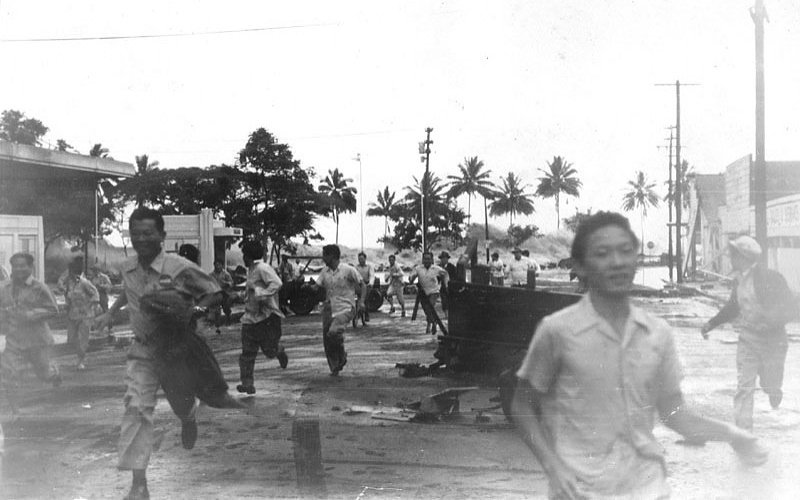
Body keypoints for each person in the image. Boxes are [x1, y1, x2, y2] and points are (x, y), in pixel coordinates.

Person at [511, 211, 768, 499]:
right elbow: (522, 404)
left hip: (649, 488)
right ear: (580, 267)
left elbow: (676, 415)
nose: (617, 262)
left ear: (636, 259)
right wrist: (553, 467)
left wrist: (734, 435)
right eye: (603, 253)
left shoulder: (657, 334)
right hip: (581, 491)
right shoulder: (556, 331)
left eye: (625, 251)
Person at [94, 208, 221, 500]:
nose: (141, 239)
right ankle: (139, 483)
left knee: (180, 403)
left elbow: (212, 291)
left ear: (162, 236)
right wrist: (111, 314)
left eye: (148, 233)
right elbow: (130, 290)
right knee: (136, 407)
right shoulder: (128, 267)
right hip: (143, 351)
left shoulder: (178, 267)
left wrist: (194, 310)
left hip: (175, 349)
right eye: (136, 233)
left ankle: (189, 418)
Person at [700, 235, 798, 430]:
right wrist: (711, 323)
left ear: (744, 257)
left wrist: (773, 320)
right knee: (744, 387)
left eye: (733, 255)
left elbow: (792, 305)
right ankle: (744, 432)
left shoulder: (771, 278)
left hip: (773, 340)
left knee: (771, 383)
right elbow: (733, 307)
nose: (730, 259)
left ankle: (772, 388)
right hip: (749, 339)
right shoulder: (738, 282)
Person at [0, 252, 61, 415]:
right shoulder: (4, 288)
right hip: (14, 340)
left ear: (30, 267)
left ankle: (54, 373)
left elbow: (54, 310)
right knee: (8, 375)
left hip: (37, 341)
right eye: (15, 266)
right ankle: (15, 412)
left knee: (43, 374)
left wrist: (31, 314)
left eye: (22, 265)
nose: (18, 269)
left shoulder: (39, 287)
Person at [236, 240, 288, 395]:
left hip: (266, 318)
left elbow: (277, 284)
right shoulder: (251, 270)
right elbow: (250, 291)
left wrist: (261, 294)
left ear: (249, 256)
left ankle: (279, 351)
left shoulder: (263, 268)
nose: (243, 258)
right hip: (250, 318)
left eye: (244, 255)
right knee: (247, 353)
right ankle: (247, 383)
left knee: (269, 350)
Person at [314, 244, 365, 376]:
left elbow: (362, 284)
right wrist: (309, 288)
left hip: (346, 307)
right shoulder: (324, 272)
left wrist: (362, 302)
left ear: (332, 256)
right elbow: (317, 286)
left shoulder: (348, 270)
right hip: (329, 308)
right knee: (327, 338)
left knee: (333, 332)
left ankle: (341, 354)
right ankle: (335, 366)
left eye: (325, 255)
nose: (323, 257)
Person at [60, 256, 100, 370]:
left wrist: (89, 306)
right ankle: (79, 355)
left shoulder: (84, 283)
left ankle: (80, 360)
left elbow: (95, 295)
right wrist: (67, 304)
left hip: (85, 316)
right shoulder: (69, 282)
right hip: (72, 314)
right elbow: (67, 295)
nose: (70, 273)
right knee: (71, 339)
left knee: (83, 339)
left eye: (71, 271)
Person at [409, 251, 449, 335]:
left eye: (428, 259)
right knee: (427, 310)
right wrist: (411, 279)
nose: (427, 261)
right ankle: (432, 322)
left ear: (432, 260)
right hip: (423, 292)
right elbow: (412, 276)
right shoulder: (418, 268)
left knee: (430, 307)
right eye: (425, 259)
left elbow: (445, 274)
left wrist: (445, 284)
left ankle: (431, 324)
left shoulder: (436, 268)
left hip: (434, 291)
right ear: (422, 260)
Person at [210, 259, 234, 334]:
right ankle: (217, 326)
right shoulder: (211, 275)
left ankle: (228, 318)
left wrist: (226, 283)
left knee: (226, 308)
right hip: (216, 294)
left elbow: (231, 283)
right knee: (216, 309)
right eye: (216, 265)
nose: (217, 266)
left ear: (222, 265)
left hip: (224, 293)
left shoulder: (226, 274)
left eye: (219, 265)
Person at [355, 252, 376, 323]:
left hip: (367, 284)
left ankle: (366, 313)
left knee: (365, 299)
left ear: (365, 259)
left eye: (362, 259)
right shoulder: (356, 267)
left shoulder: (369, 266)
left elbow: (372, 275)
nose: (360, 260)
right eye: (359, 259)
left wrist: (371, 283)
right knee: (357, 298)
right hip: (359, 284)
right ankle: (356, 313)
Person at [438, 251, 458, 316]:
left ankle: (451, 314)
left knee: (451, 300)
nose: (443, 260)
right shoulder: (438, 267)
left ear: (447, 259)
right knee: (444, 300)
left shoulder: (452, 267)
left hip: (450, 286)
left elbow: (455, 276)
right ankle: (446, 314)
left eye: (445, 258)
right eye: (442, 258)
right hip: (442, 286)